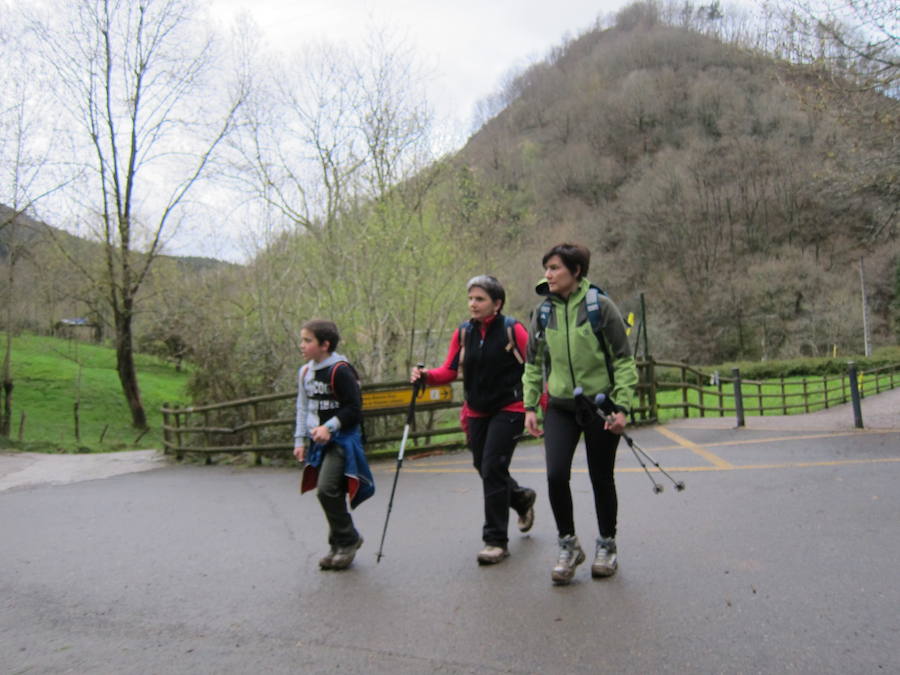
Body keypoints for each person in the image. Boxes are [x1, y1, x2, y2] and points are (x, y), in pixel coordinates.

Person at [522, 243, 638, 585]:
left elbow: (624, 360)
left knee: (601, 476)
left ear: (575, 271)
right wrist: (530, 405)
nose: (548, 274)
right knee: (556, 475)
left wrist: (622, 406)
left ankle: (607, 545)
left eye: (555, 268)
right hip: (559, 406)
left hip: (599, 405)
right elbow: (532, 363)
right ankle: (568, 545)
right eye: (546, 268)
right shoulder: (543, 313)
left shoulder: (600, 307)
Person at [411, 275, 537, 565]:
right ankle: (520, 498)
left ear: (497, 303)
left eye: (479, 299)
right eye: (470, 298)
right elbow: (449, 371)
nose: (473, 304)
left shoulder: (511, 329)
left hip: (511, 407)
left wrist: (537, 406)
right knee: (483, 466)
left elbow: (534, 365)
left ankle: (495, 541)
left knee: (493, 466)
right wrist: (427, 376)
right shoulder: (464, 332)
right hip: (477, 411)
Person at [293, 319, 374, 571]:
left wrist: (329, 427)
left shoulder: (340, 370)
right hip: (317, 441)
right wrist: (299, 440)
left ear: (325, 344)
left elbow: (354, 408)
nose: (302, 345)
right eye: (303, 340)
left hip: (342, 439)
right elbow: (303, 406)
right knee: (331, 492)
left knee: (326, 489)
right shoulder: (305, 372)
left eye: (308, 340)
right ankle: (337, 544)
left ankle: (349, 539)